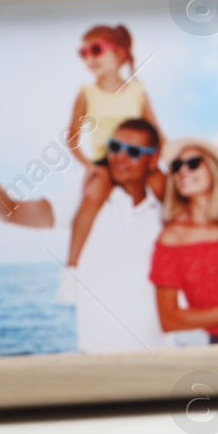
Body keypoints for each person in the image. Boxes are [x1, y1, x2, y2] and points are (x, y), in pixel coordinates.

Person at [0, 116, 168, 353]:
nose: (119, 156)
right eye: (115, 147)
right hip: (99, 359)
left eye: (132, 150)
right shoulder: (84, 200)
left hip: (162, 356)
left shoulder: (170, 206)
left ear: (153, 158)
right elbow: (10, 211)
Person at [64, 25, 165, 273]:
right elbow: (72, 138)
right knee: (91, 198)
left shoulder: (138, 91)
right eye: (83, 52)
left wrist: (163, 161)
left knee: (167, 189)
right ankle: (72, 267)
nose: (89, 58)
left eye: (96, 50)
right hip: (105, 161)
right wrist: (89, 166)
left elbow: (156, 132)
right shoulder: (86, 93)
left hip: (140, 158)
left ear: (119, 54)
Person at [149, 138, 218, 343]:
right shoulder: (172, 238)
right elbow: (169, 320)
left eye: (193, 164)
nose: (183, 171)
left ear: (214, 169)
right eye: (176, 166)